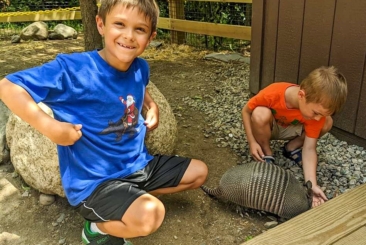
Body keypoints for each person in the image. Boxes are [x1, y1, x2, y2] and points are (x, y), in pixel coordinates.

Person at [0, 0, 208, 244]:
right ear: (101, 24)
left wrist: (151, 105)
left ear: (150, 37)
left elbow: (140, 85)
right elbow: (8, 86)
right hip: (95, 182)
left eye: (139, 29)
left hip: (139, 165)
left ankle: (130, 199)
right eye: (119, 24)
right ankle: (97, 229)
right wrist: (51, 128)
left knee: (199, 173)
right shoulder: (73, 69)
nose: (129, 36)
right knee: (151, 216)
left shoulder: (140, 67)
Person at [241, 66, 347, 208]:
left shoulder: (316, 115)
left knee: (327, 122)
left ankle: (291, 147)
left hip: (294, 130)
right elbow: (246, 111)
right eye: (316, 113)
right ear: (301, 96)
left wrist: (312, 185)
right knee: (259, 113)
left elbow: (309, 149)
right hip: (271, 127)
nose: (317, 118)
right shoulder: (274, 92)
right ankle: (266, 152)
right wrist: (252, 142)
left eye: (320, 114)